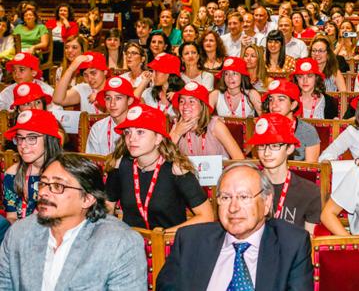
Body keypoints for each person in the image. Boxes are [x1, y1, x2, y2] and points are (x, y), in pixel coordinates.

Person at [0, 153, 147, 290]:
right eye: (43, 183)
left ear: (87, 199)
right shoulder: (20, 232)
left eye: (58, 186)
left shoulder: (120, 243)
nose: (43, 192)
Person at [156, 162, 312, 290]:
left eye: (243, 197)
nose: (233, 208)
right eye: (225, 197)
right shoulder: (190, 241)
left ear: (266, 202)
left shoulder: (291, 245)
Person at [106, 104, 214, 230]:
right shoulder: (120, 165)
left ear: (158, 138)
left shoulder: (176, 169)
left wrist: (163, 237)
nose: (131, 139)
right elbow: (108, 206)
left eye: (140, 132)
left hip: (168, 244)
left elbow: (207, 216)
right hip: (130, 243)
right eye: (127, 132)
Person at [248, 113, 321, 233]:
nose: (266, 153)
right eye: (261, 146)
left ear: (290, 148)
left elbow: (308, 241)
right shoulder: (247, 186)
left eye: (275, 146)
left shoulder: (309, 192)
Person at [2, 110, 63, 223]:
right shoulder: (13, 174)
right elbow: (12, 217)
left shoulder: (66, 175)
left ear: (49, 139)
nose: (23, 145)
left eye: (32, 138)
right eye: (20, 138)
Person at [169, 82, 244, 159]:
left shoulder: (216, 126)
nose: (185, 106)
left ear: (202, 106)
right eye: (182, 101)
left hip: (220, 170)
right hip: (189, 171)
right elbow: (164, 160)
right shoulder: (176, 126)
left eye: (191, 101)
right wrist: (177, 134)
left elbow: (239, 158)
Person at [262, 79, 320, 162]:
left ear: (293, 105)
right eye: (271, 99)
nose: (274, 105)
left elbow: (310, 170)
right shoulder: (263, 127)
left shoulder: (308, 131)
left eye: (281, 99)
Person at [85, 77, 135, 155]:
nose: (112, 104)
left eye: (118, 98)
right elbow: (91, 162)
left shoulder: (139, 128)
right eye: (108, 98)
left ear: (129, 101)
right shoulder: (97, 128)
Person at [137, 52, 184, 118]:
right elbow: (131, 105)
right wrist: (144, 82)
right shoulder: (149, 92)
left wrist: (176, 101)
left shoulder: (183, 95)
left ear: (169, 73)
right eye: (152, 71)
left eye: (157, 71)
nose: (153, 75)